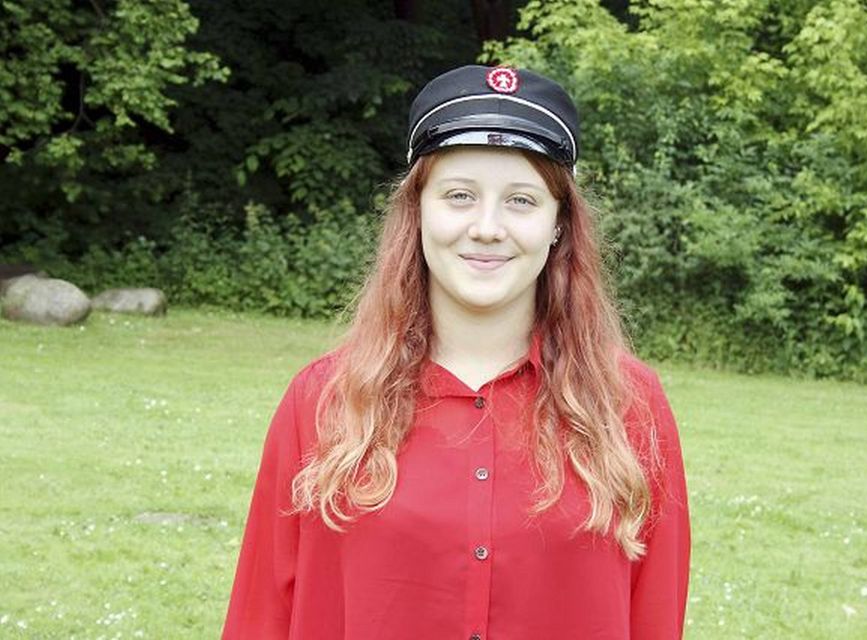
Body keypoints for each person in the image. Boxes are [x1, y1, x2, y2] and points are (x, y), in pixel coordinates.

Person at [222, 64, 690, 639]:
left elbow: (655, 617)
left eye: (521, 200)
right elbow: (260, 616)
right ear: (417, 210)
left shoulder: (631, 406)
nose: (487, 228)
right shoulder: (321, 401)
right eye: (460, 195)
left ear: (558, 224)